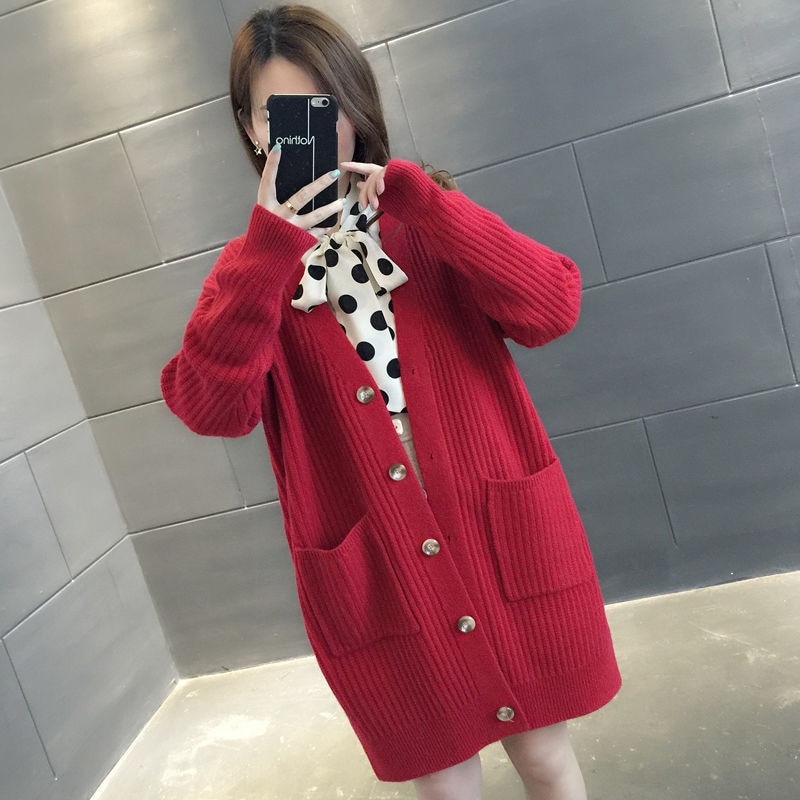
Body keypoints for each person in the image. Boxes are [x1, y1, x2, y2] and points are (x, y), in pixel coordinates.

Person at [161, 5, 621, 799]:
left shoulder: (428, 216)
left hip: (496, 532)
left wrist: (431, 207)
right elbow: (210, 406)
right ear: (250, 128)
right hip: (381, 571)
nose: (307, 132)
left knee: (547, 756)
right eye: (279, 115)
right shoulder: (250, 271)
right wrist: (266, 252)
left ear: (354, 105)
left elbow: (552, 308)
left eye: (320, 106)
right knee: (445, 783)